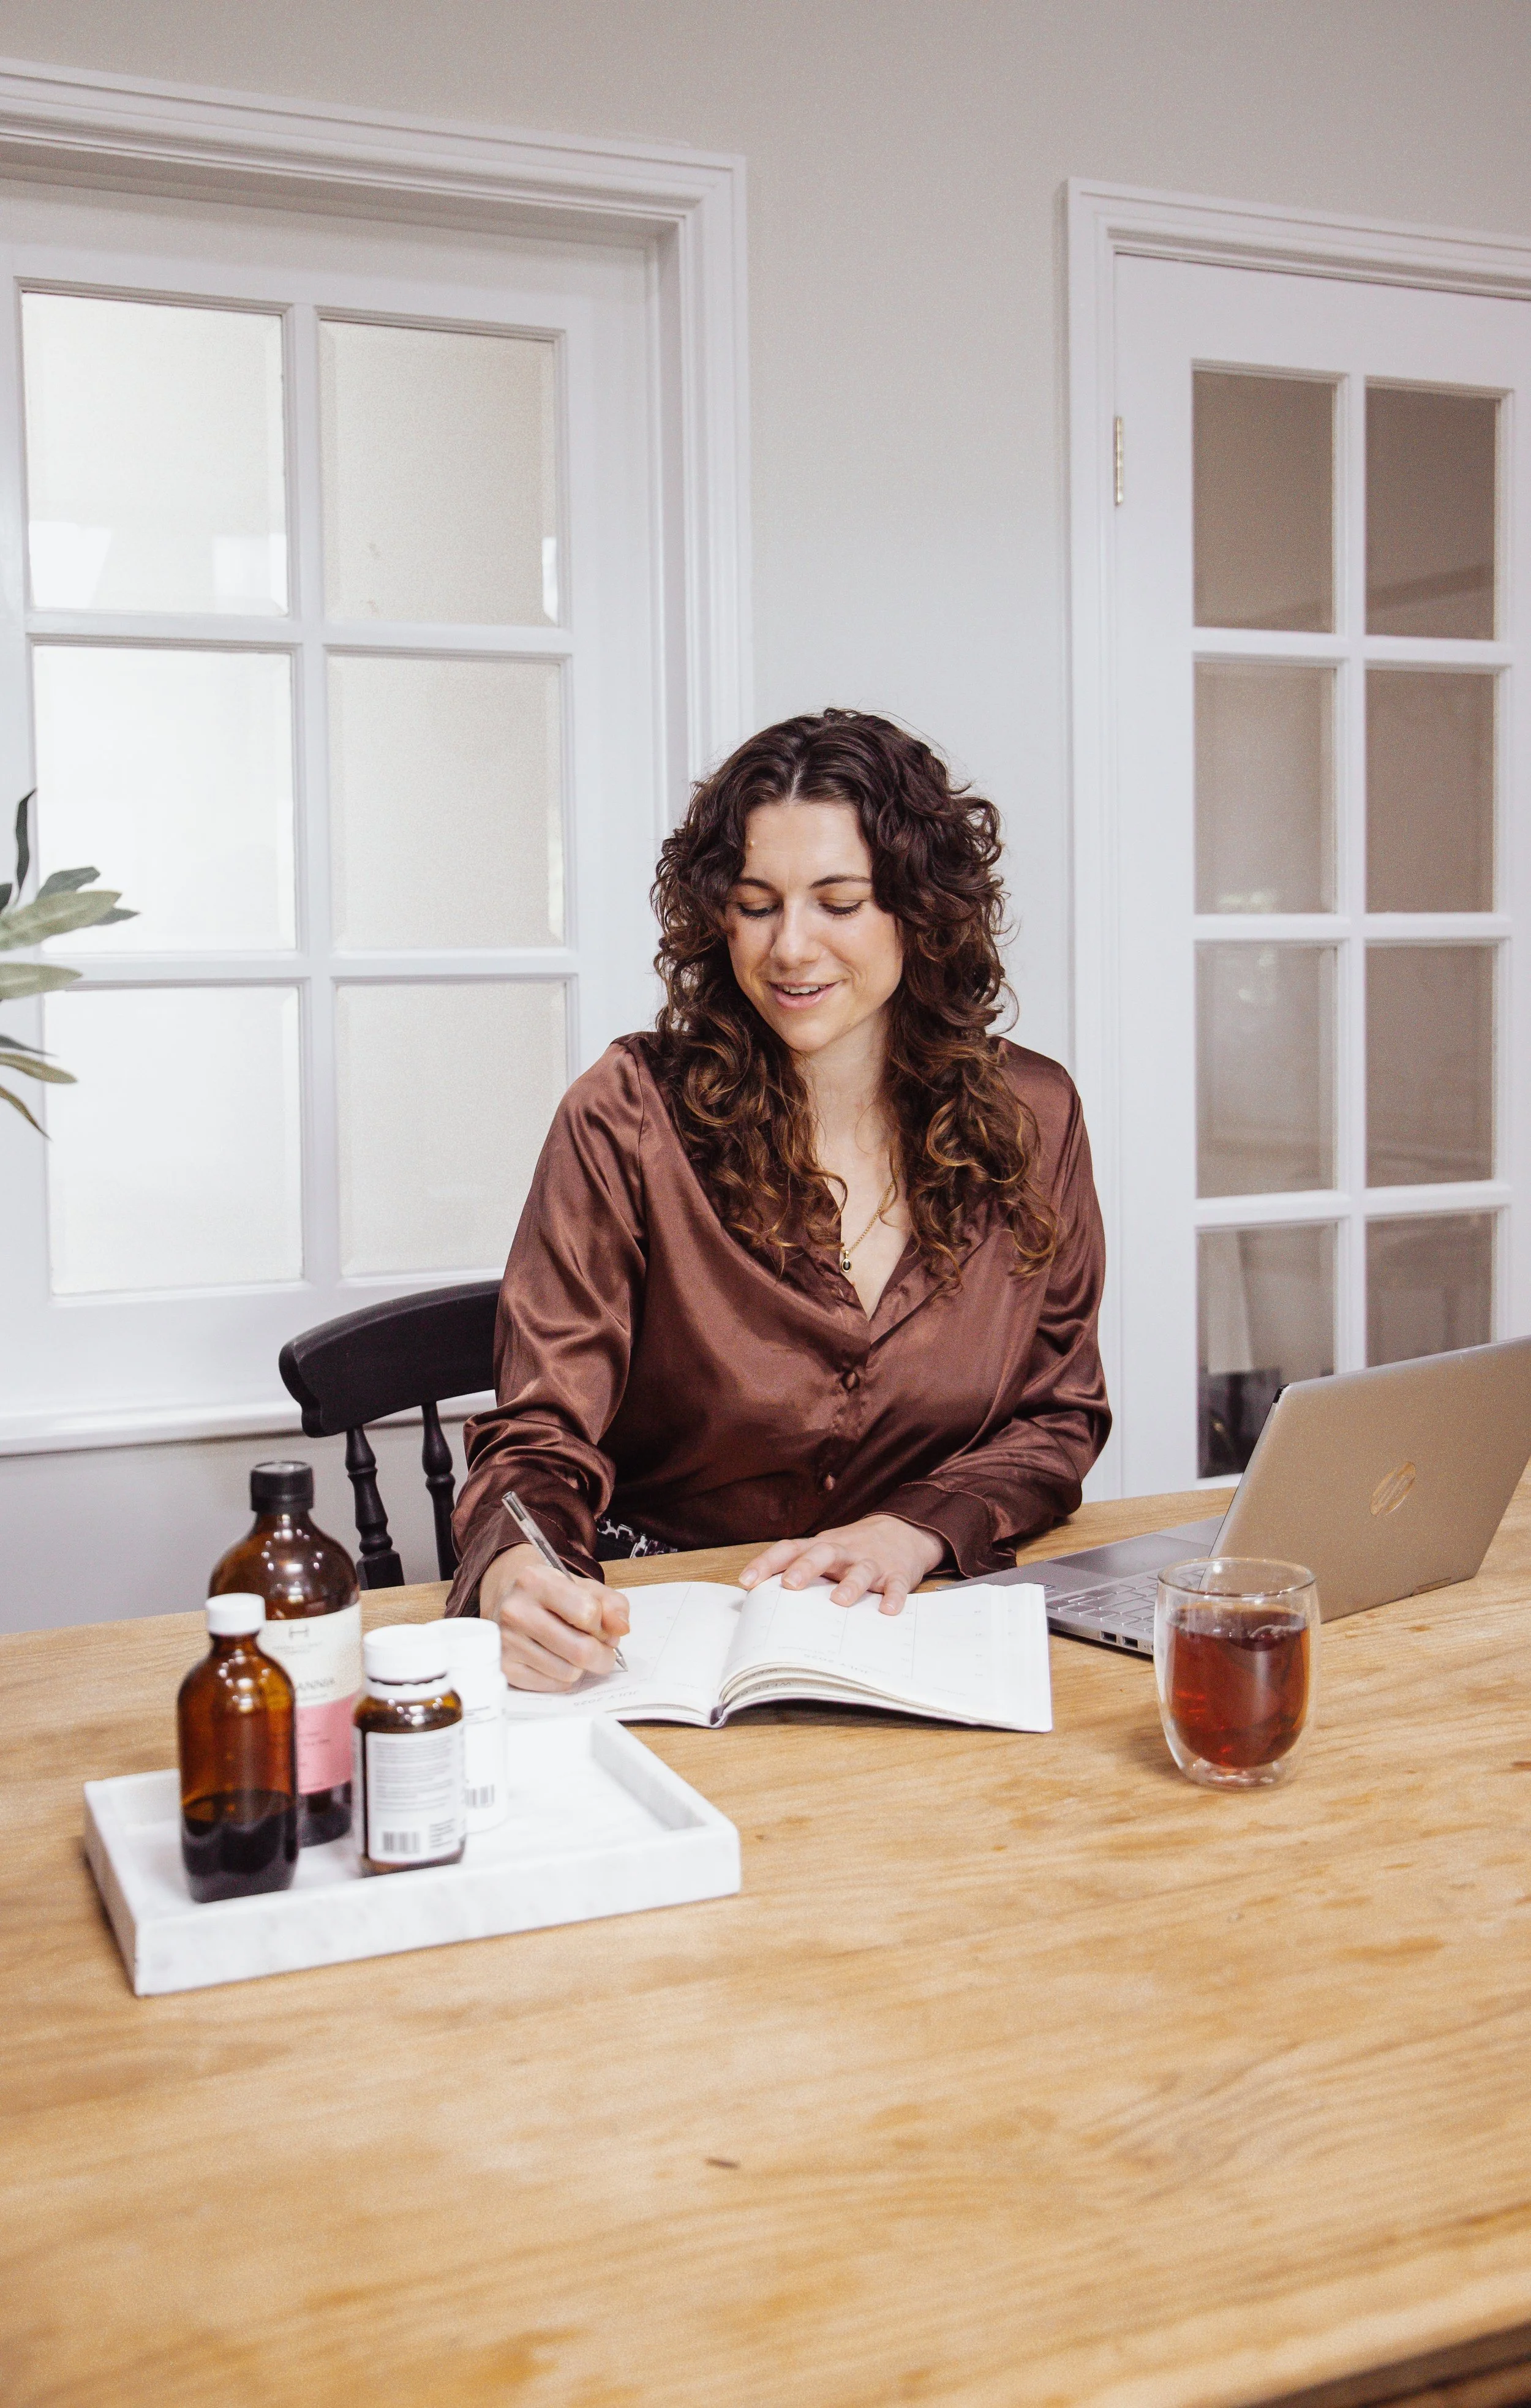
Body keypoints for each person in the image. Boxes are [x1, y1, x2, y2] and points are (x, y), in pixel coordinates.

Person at [446, 709, 1110, 1690]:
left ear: (919, 912)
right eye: (758, 904)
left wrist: (916, 1530)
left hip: (922, 1628)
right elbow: (539, 1430)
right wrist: (519, 1569)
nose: (791, 948)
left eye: (838, 903)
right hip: (661, 1630)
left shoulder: (1034, 1116)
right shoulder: (627, 1115)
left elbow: (1057, 1417)